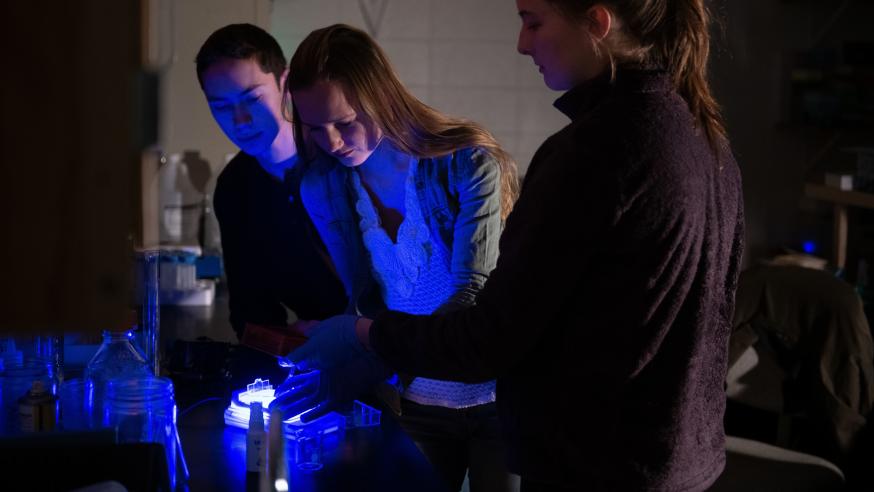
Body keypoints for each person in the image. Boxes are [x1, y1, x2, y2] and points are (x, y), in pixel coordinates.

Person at [272, 1, 745, 490]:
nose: (522, 43)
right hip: (680, 462)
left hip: (598, 463)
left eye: (533, 20)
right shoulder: (708, 139)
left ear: (598, 23)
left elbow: (490, 336)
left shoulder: (590, 152)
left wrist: (363, 338)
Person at [280, 24, 521, 492]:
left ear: (381, 98)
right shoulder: (325, 188)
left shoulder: (468, 163)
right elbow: (364, 301)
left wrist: (365, 352)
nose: (330, 142)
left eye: (344, 122)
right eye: (313, 128)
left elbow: (470, 298)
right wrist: (343, 363)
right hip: (413, 401)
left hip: (497, 397)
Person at [195, 24, 347, 383]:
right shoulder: (235, 188)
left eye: (251, 99)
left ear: (284, 82)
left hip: (393, 347)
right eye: (221, 107)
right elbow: (251, 311)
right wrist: (290, 342)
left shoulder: (341, 153)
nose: (240, 121)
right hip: (316, 361)